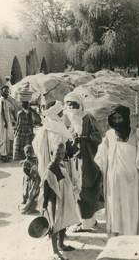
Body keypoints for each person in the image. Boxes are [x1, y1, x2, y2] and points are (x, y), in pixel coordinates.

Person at [95, 105, 139, 236]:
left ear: (126, 118)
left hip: (133, 182)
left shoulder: (137, 134)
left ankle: (132, 237)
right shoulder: (109, 136)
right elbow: (100, 157)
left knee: (132, 210)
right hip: (114, 183)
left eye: (120, 118)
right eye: (115, 118)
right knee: (116, 210)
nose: (117, 121)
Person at [64, 92, 102, 232]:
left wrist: (85, 138)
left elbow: (98, 136)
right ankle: (87, 220)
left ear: (80, 105)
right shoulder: (71, 120)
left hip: (88, 159)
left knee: (86, 189)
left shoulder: (88, 118)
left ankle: (87, 223)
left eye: (74, 104)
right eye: (69, 105)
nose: (71, 108)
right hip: (77, 160)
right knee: (78, 190)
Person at [32, 101, 81, 201]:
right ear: (56, 114)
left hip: (53, 162)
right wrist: (71, 146)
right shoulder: (56, 128)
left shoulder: (48, 125)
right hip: (59, 163)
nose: (63, 114)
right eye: (60, 113)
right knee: (60, 188)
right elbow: (57, 148)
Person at [42, 143, 80, 260]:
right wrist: (44, 205)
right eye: (57, 153)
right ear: (52, 153)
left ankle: (61, 244)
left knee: (63, 222)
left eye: (62, 153)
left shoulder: (62, 165)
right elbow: (46, 189)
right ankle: (55, 251)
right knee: (55, 224)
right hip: (54, 201)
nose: (60, 155)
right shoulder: (50, 169)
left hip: (63, 199)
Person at [13, 87, 34, 160]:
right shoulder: (30, 113)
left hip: (21, 129)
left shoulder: (19, 113)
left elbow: (18, 123)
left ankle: (19, 156)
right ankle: (26, 155)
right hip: (27, 129)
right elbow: (31, 123)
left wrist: (16, 131)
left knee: (20, 142)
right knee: (27, 142)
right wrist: (31, 130)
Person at [19, 145, 40, 214]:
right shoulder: (26, 162)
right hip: (30, 181)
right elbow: (25, 171)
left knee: (35, 194)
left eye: (31, 152)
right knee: (30, 194)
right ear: (25, 154)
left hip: (35, 180)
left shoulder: (34, 159)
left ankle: (32, 208)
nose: (29, 154)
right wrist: (31, 175)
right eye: (27, 152)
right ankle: (28, 208)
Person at [0, 85, 14, 162]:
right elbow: (2, 112)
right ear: (2, 92)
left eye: (7, 91)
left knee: (6, 137)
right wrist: (5, 122)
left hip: (5, 120)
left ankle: (5, 154)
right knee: (3, 138)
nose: (6, 92)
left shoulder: (4, 100)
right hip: (2, 121)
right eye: (5, 91)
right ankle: (3, 155)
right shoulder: (2, 100)